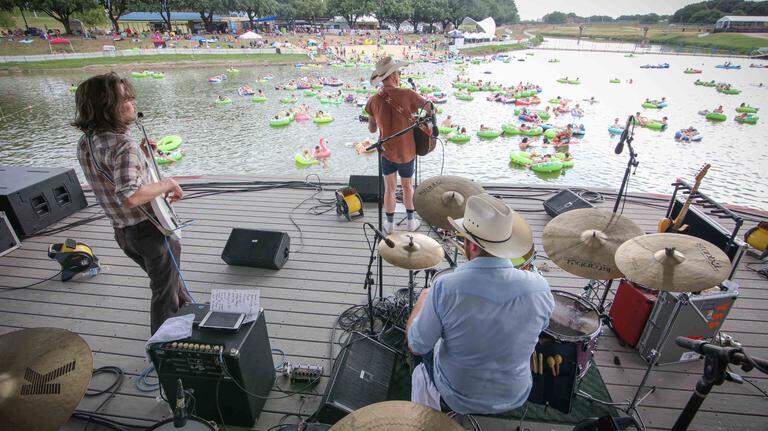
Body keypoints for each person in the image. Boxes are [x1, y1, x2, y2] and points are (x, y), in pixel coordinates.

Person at [408, 194, 554, 414]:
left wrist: (421, 302)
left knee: (418, 343)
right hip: (514, 393)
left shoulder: (444, 288)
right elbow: (540, 329)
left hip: (458, 395)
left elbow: (418, 345)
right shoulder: (540, 288)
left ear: (472, 246)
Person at [74, 72, 189, 335]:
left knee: (167, 281)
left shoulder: (87, 141)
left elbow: (113, 174)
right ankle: (163, 347)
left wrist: (143, 154)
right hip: (150, 232)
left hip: (124, 233)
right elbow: (131, 196)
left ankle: (189, 309)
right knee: (164, 293)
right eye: (125, 99)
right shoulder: (124, 146)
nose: (133, 103)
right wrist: (169, 182)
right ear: (107, 107)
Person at [365, 56, 430, 233]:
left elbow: (372, 130)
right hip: (407, 152)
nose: (399, 75)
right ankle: (410, 222)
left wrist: (379, 120)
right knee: (408, 186)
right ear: (393, 75)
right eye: (398, 73)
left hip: (386, 152)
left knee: (390, 189)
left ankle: (390, 225)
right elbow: (430, 108)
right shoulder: (408, 94)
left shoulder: (373, 100)